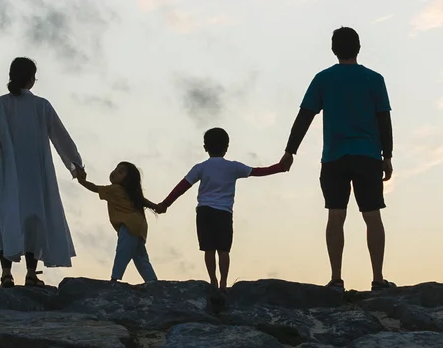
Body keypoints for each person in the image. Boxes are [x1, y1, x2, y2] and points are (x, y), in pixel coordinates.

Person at [279, 26, 392, 291]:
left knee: (335, 215)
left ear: (333, 49)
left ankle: (336, 279)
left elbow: (304, 116)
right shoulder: (375, 79)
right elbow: (384, 119)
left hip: (334, 157)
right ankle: (377, 279)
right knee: (372, 215)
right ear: (359, 48)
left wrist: (290, 151)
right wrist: (387, 156)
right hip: (367, 155)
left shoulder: (323, 79)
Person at [0, 56, 82, 287]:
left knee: (8, 219)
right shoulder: (41, 105)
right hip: (36, 173)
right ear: (31, 79)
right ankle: (30, 273)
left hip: (7, 171)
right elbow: (60, 136)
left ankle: (6, 273)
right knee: (34, 220)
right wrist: (75, 164)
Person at [156, 127, 288, 291]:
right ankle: (224, 283)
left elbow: (182, 187)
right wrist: (280, 167)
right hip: (224, 213)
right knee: (224, 250)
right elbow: (258, 172)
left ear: (205, 147)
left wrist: (165, 204)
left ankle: (213, 280)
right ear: (227, 147)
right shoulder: (233, 167)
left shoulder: (201, 167)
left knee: (209, 248)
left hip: (204, 211)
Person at [75, 161, 162, 284]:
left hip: (128, 225)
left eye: (120, 172)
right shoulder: (132, 193)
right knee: (140, 256)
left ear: (128, 179)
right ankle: (152, 280)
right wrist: (156, 206)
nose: (115, 172)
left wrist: (82, 181)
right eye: (116, 169)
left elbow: (95, 188)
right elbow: (144, 201)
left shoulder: (114, 189)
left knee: (123, 251)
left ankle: (114, 278)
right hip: (140, 227)